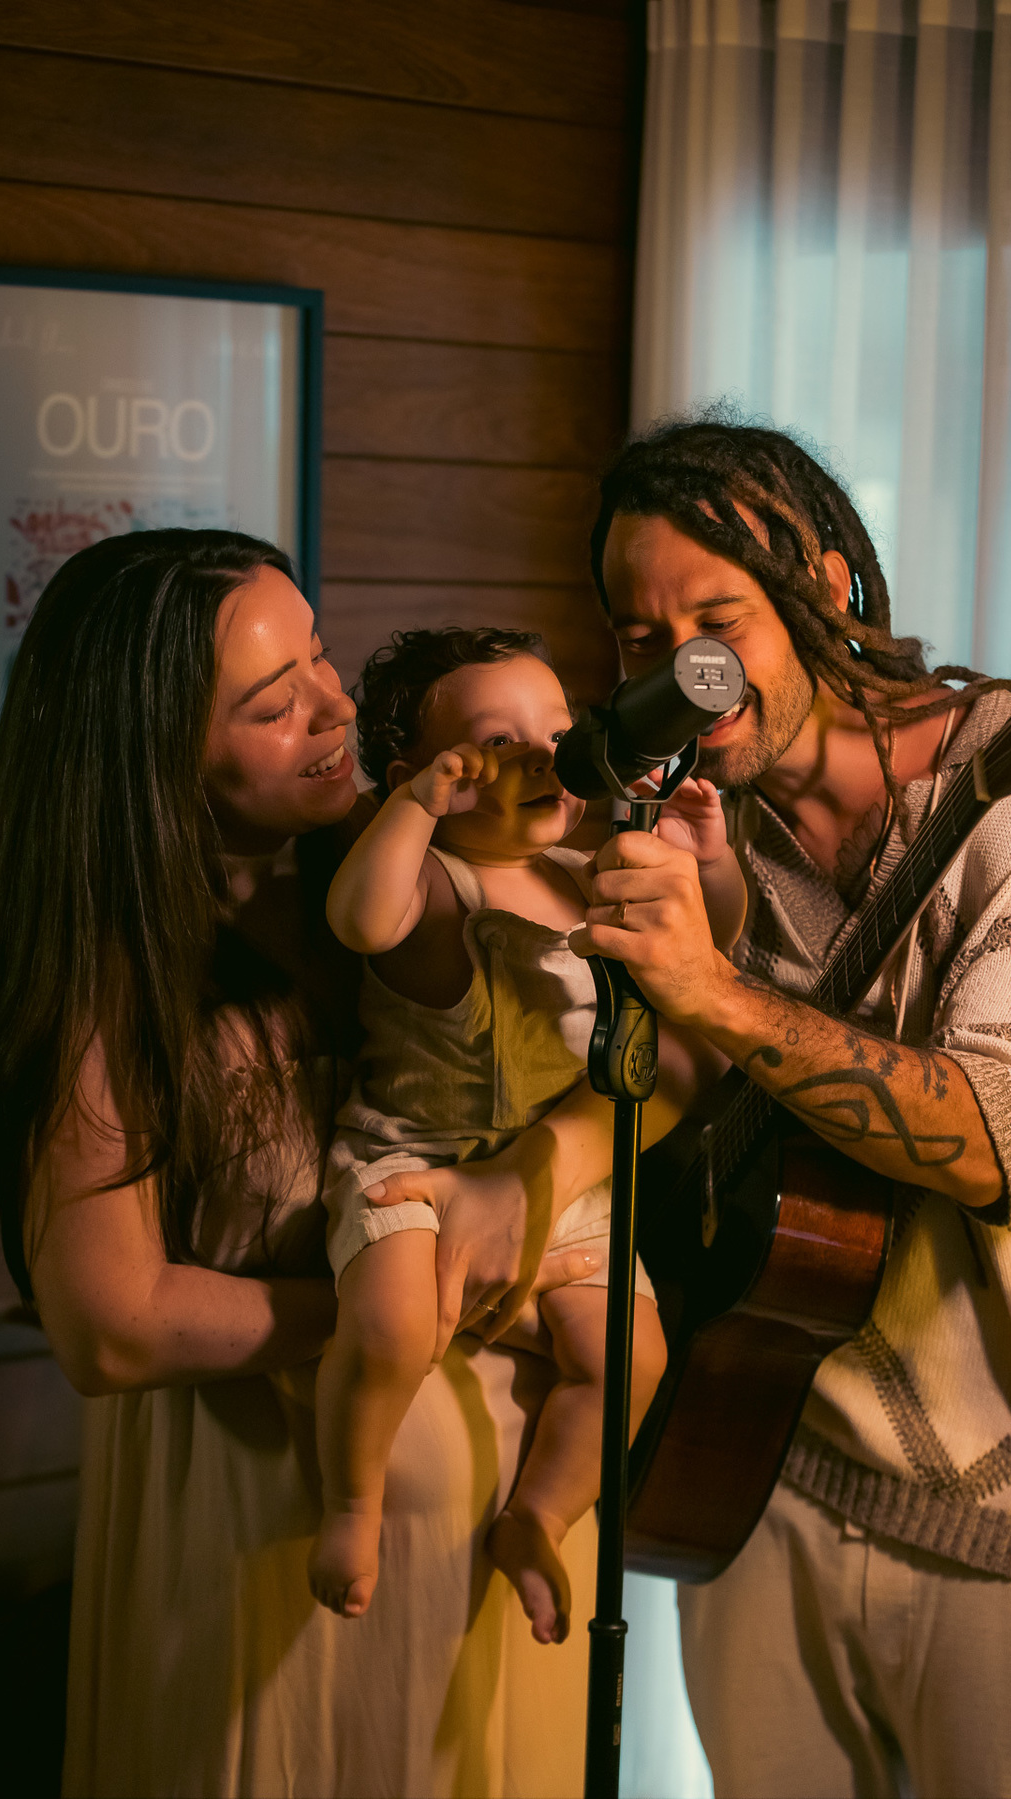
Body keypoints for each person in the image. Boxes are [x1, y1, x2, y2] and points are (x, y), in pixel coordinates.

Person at [0, 530, 690, 1799]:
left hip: (496, 1545)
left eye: (321, 657)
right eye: (273, 701)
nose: (335, 706)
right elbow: (111, 1325)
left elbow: (648, 1068)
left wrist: (525, 1180)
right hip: (264, 1547)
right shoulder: (110, 971)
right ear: (152, 759)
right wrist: (396, 1309)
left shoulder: (378, 878)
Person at [567, 414, 1011, 1799]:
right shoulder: (700, 822)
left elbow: (994, 1138)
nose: (684, 666)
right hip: (751, 1468)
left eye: (719, 615)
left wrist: (719, 992)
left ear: (829, 584)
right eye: (643, 635)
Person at [309, 627, 744, 1639]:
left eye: (558, 729)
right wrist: (413, 811)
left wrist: (706, 861)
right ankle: (350, 1501)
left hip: (559, 1182)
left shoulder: (581, 867)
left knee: (632, 1358)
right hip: (414, 1159)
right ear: (428, 775)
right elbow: (358, 920)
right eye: (497, 741)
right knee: (392, 1325)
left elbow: (714, 945)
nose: (546, 756)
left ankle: (538, 1515)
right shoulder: (429, 887)